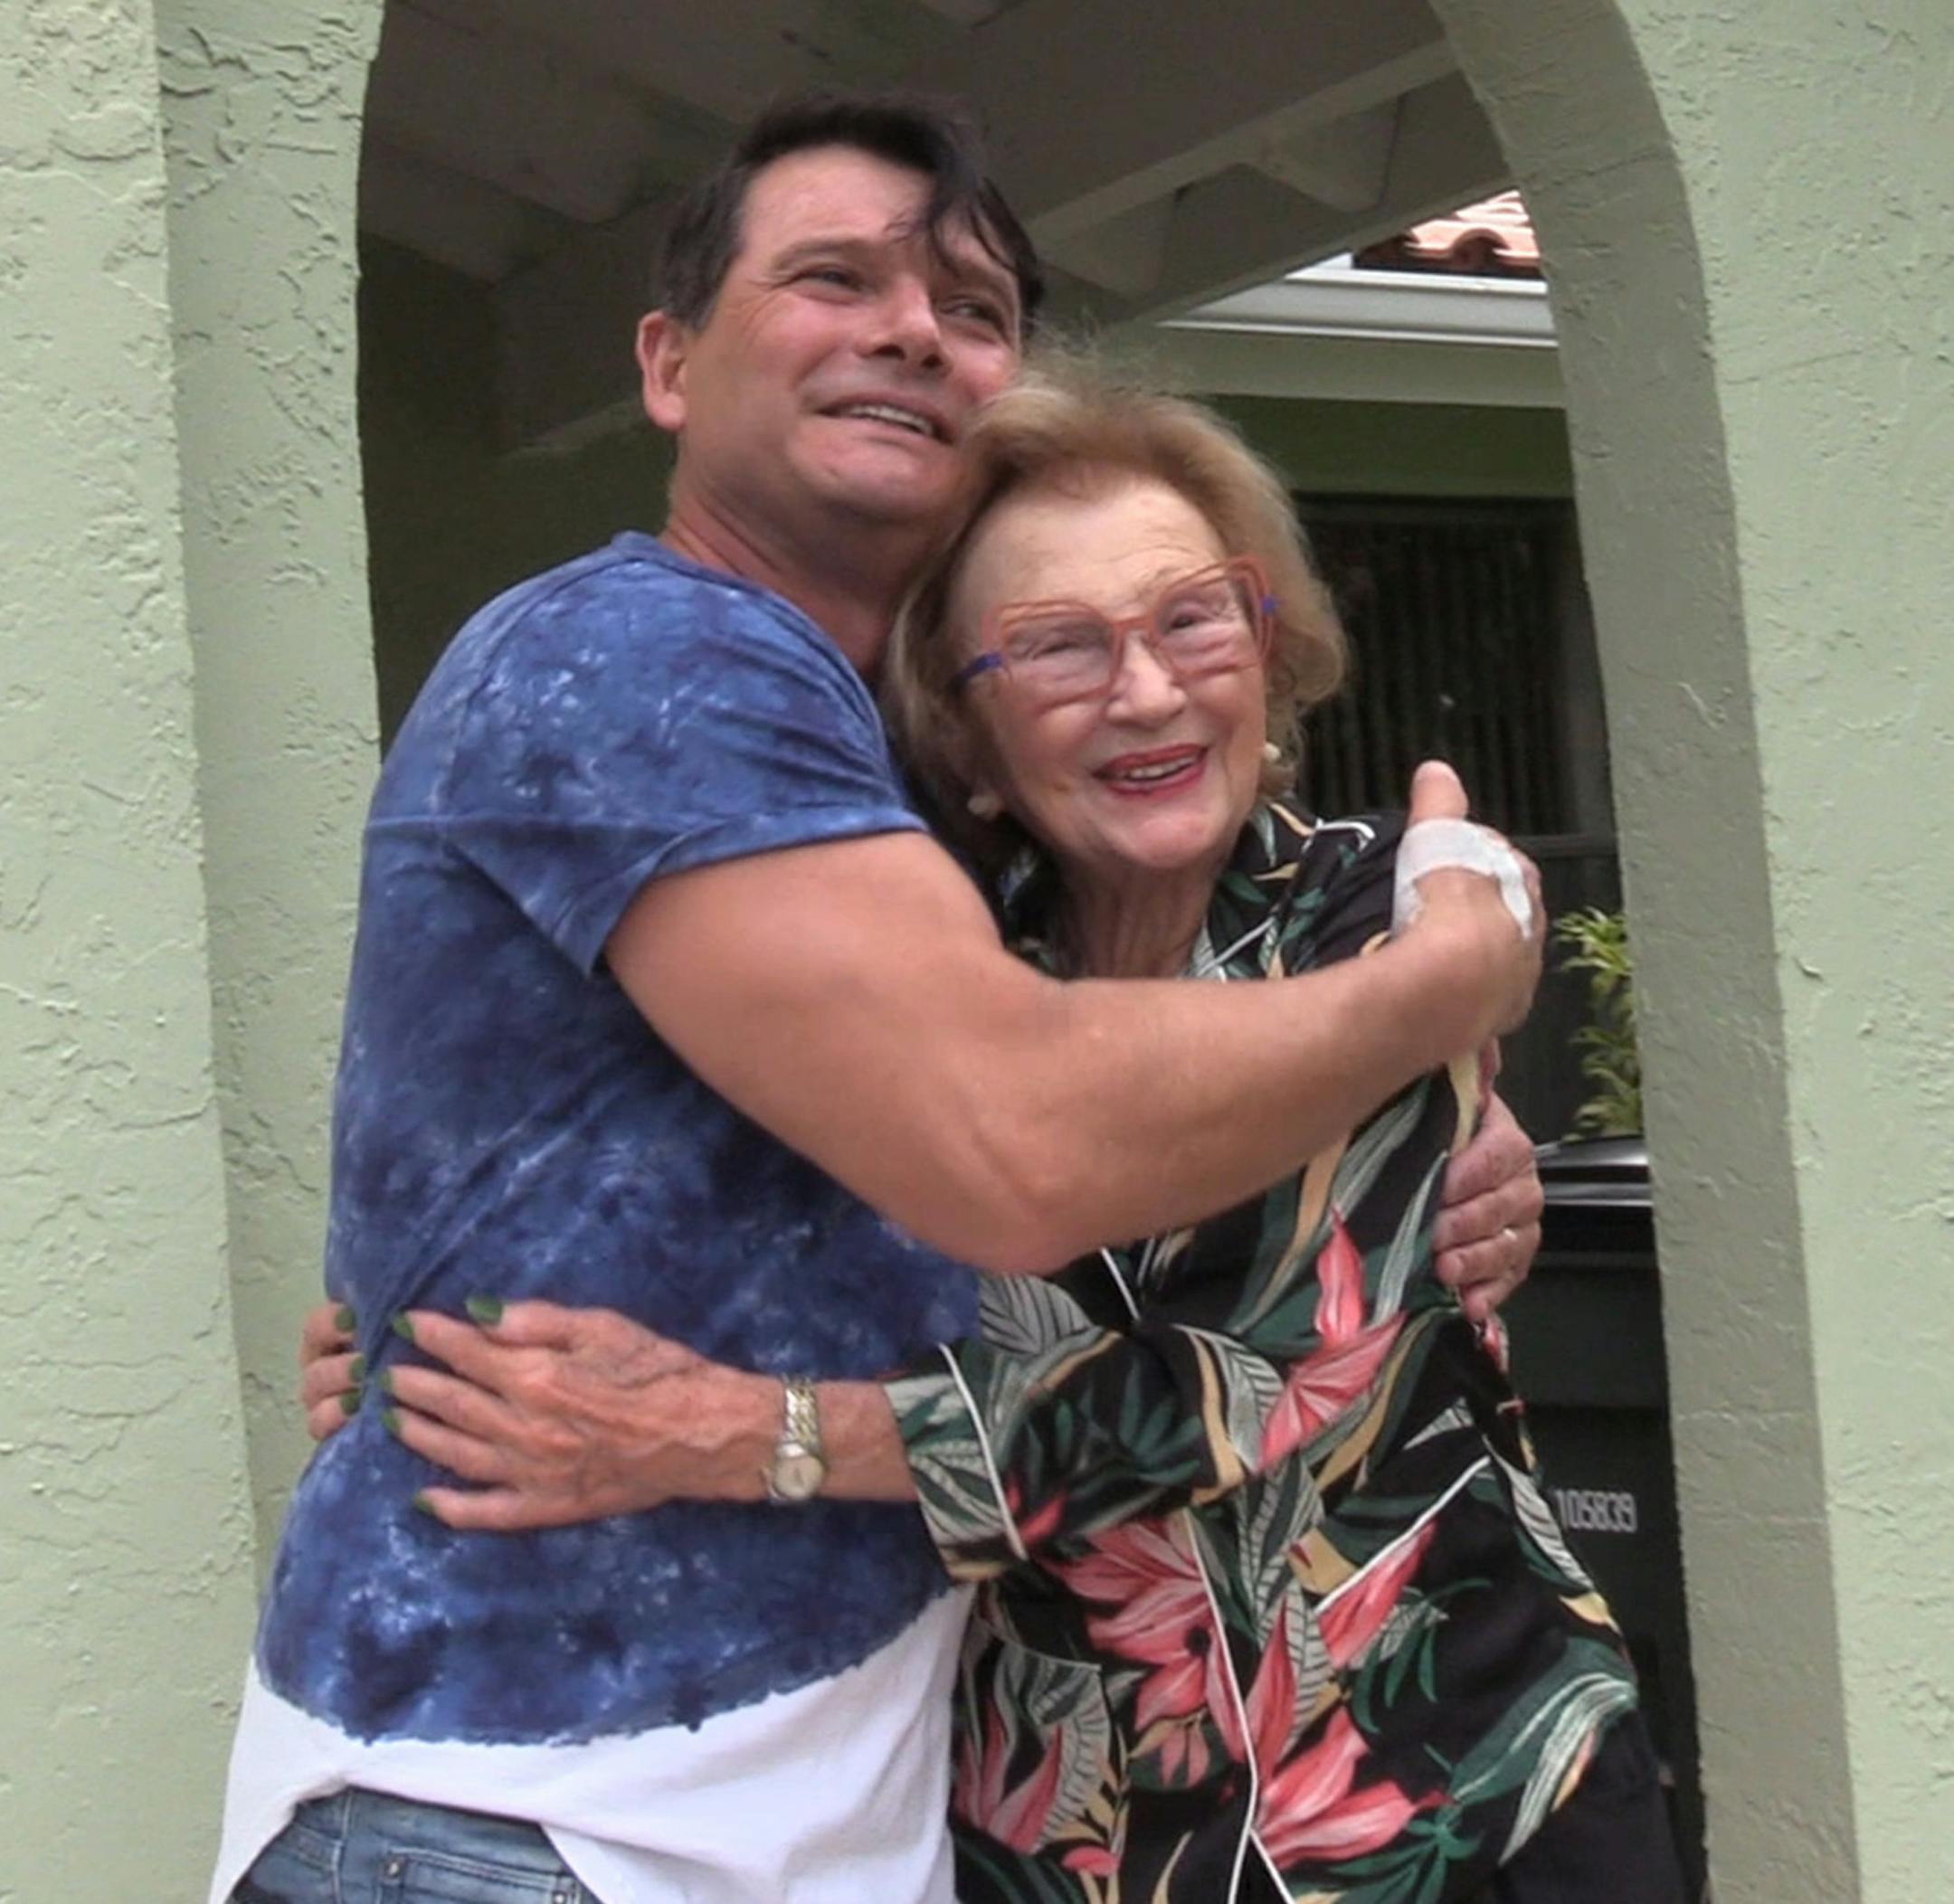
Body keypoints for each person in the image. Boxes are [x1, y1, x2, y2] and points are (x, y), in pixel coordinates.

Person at [220, 93, 1547, 1904]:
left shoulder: (923, 838)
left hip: (882, 1818)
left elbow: (1173, 1280)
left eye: (971, 309)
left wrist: (1444, 1110)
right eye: (834, 279)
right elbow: (1017, 1138)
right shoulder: (648, 661)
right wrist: (1449, 977)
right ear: (670, 365)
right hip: (539, 1823)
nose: (914, 330)